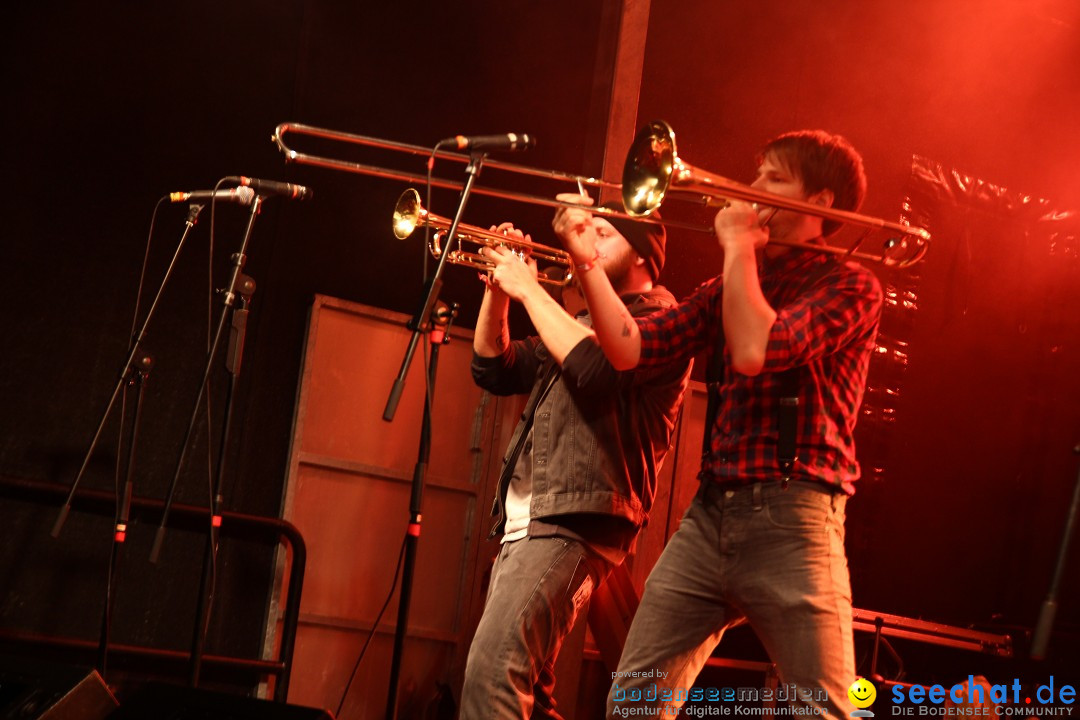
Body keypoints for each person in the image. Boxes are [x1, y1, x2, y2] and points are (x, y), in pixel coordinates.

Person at [552, 130, 884, 717]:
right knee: (634, 702)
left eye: (773, 180)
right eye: (757, 175)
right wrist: (585, 261)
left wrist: (736, 249)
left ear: (822, 205)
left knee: (821, 709)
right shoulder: (727, 288)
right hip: (710, 517)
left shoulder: (850, 284)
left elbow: (758, 348)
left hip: (795, 519)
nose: (750, 190)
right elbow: (628, 349)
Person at [459, 209, 692, 719]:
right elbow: (494, 366)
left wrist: (528, 288)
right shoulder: (578, 322)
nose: (585, 242)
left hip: (573, 522)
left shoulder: (657, 319)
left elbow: (597, 369)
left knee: (492, 673)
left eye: (603, 235)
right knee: (530, 695)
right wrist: (499, 287)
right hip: (531, 520)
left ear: (641, 254)